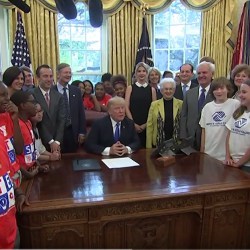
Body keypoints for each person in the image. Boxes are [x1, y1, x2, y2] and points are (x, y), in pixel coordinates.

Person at [199, 77, 240, 161]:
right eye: (215, 89)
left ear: (228, 89)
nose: (219, 91)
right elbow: (203, 131)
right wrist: (202, 152)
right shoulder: (207, 107)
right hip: (209, 154)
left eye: (222, 88)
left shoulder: (235, 104)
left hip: (226, 157)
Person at [10, 91, 49, 178]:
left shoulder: (28, 122)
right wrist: (27, 174)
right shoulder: (15, 125)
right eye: (32, 102)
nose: (35, 105)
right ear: (23, 105)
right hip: (23, 175)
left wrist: (39, 166)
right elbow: (12, 156)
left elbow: (31, 150)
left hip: (32, 170)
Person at [180, 61, 214, 150]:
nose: (201, 75)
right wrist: (183, 136)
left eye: (204, 72)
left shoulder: (216, 93)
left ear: (212, 74)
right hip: (189, 139)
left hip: (209, 139)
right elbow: (183, 116)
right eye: (199, 73)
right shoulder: (189, 93)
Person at [53, 63, 86, 153]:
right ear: (58, 74)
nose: (68, 75)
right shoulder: (52, 90)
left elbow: (81, 112)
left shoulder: (76, 90)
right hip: (56, 132)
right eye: (65, 72)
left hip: (73, 131)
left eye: (70, 73)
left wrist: (82, 131)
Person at [32, 64, 65, 153]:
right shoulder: (31, 95)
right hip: (39, 141)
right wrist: (50, 141)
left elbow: (62, 120)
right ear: (38, 78)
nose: (49, 79)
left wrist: (57, 142)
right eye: (45, 76)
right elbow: (37, 122)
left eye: (51, 76)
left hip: (57, 143)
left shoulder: (59, 96)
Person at [125, 62, 157, 147]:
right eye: (139, 71)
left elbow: (154, 109)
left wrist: (145, 125)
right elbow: (126, 107)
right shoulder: (130, 88)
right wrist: (133, 123)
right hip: (132, 125)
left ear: (147, 73)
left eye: (144, 71)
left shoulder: (152, 90)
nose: (141, 73)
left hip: (147, 125)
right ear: (135, 73)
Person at [146, 78, 183, 148]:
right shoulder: (154, 105)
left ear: (174, 90)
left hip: (176, 143)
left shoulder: (181, 104)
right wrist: (148, 146)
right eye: (166, 89)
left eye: (170, 89)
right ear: (161, 90)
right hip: (158, 143)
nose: (168, 91)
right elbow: (149, 126)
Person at [0, 81, 24, 187]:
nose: (8, 99)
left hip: (15, 177)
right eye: (2, 95)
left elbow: (19, 149)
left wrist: (15, 119)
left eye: (7, 94)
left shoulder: (6, 116)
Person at [224, 79, 250, 171]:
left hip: (246, 166)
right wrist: (227, 157)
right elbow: (229, 134)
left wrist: (239, 163)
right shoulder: (239, 112)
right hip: (232, 163)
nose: (240, 95)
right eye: (240, 92)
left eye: (244, 92)